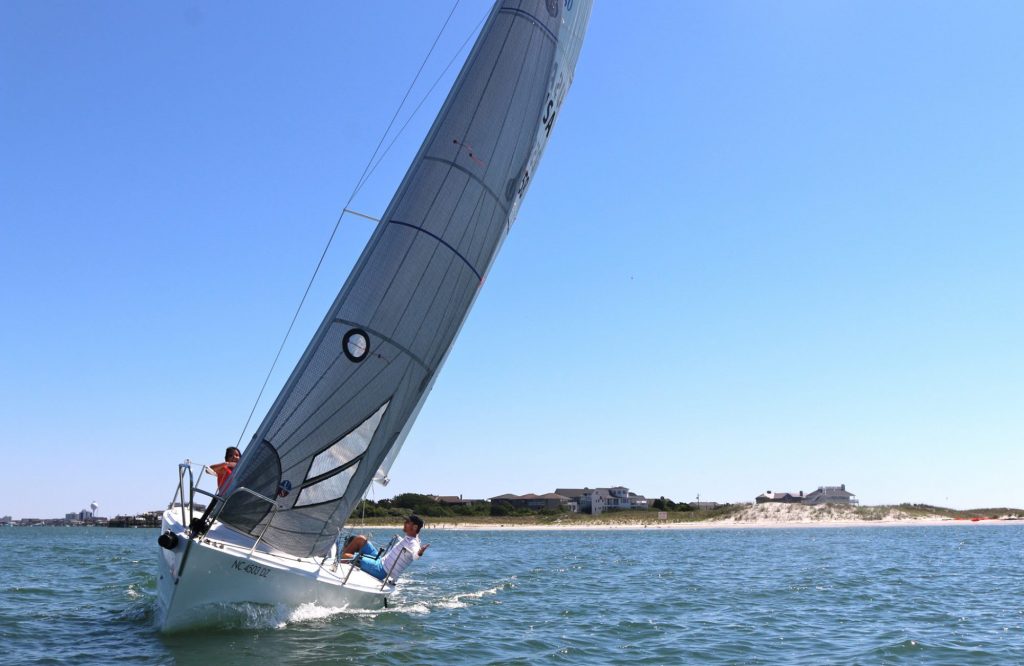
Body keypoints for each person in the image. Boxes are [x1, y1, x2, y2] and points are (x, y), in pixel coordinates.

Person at [341, 515, 429, 582]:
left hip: (380, 570)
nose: (404, 524)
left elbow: (415, 556)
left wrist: (420, 552)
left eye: (407, 522)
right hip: (380, 560)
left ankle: (339, 568)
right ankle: (339, 563)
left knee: (346, 556)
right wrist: (398, 538)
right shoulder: (409, 538)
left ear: (415, 527)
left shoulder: (413, 543)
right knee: (360, 539)